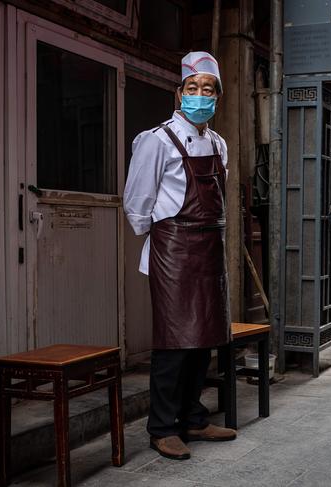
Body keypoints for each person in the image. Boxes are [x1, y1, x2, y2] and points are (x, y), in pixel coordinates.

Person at [123, 51, 236, 461]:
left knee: (203, 339)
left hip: (208, 250)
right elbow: (137, 202)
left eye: (209, 90)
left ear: (216, 97)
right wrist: (162, 237)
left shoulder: (219, 144)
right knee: (174, 343)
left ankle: (193, 418)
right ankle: (162, 427)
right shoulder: (156, 140)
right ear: (179, 93)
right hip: (172, 251)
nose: (201, 96)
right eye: (193, 88)